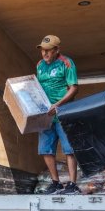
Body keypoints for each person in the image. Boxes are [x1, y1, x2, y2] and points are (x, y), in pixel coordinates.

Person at [35, 35, 80, 194]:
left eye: (48, 51)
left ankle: (72, 184)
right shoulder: (40, 65)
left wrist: (58, 105)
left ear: (57, 50)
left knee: (69, 149)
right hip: (46, 115)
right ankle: (56, 182)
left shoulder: (66, 63)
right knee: (45, 149)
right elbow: (37, 88)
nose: (45, 54)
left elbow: (74, 88)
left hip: (63, 112)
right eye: (42, 50)